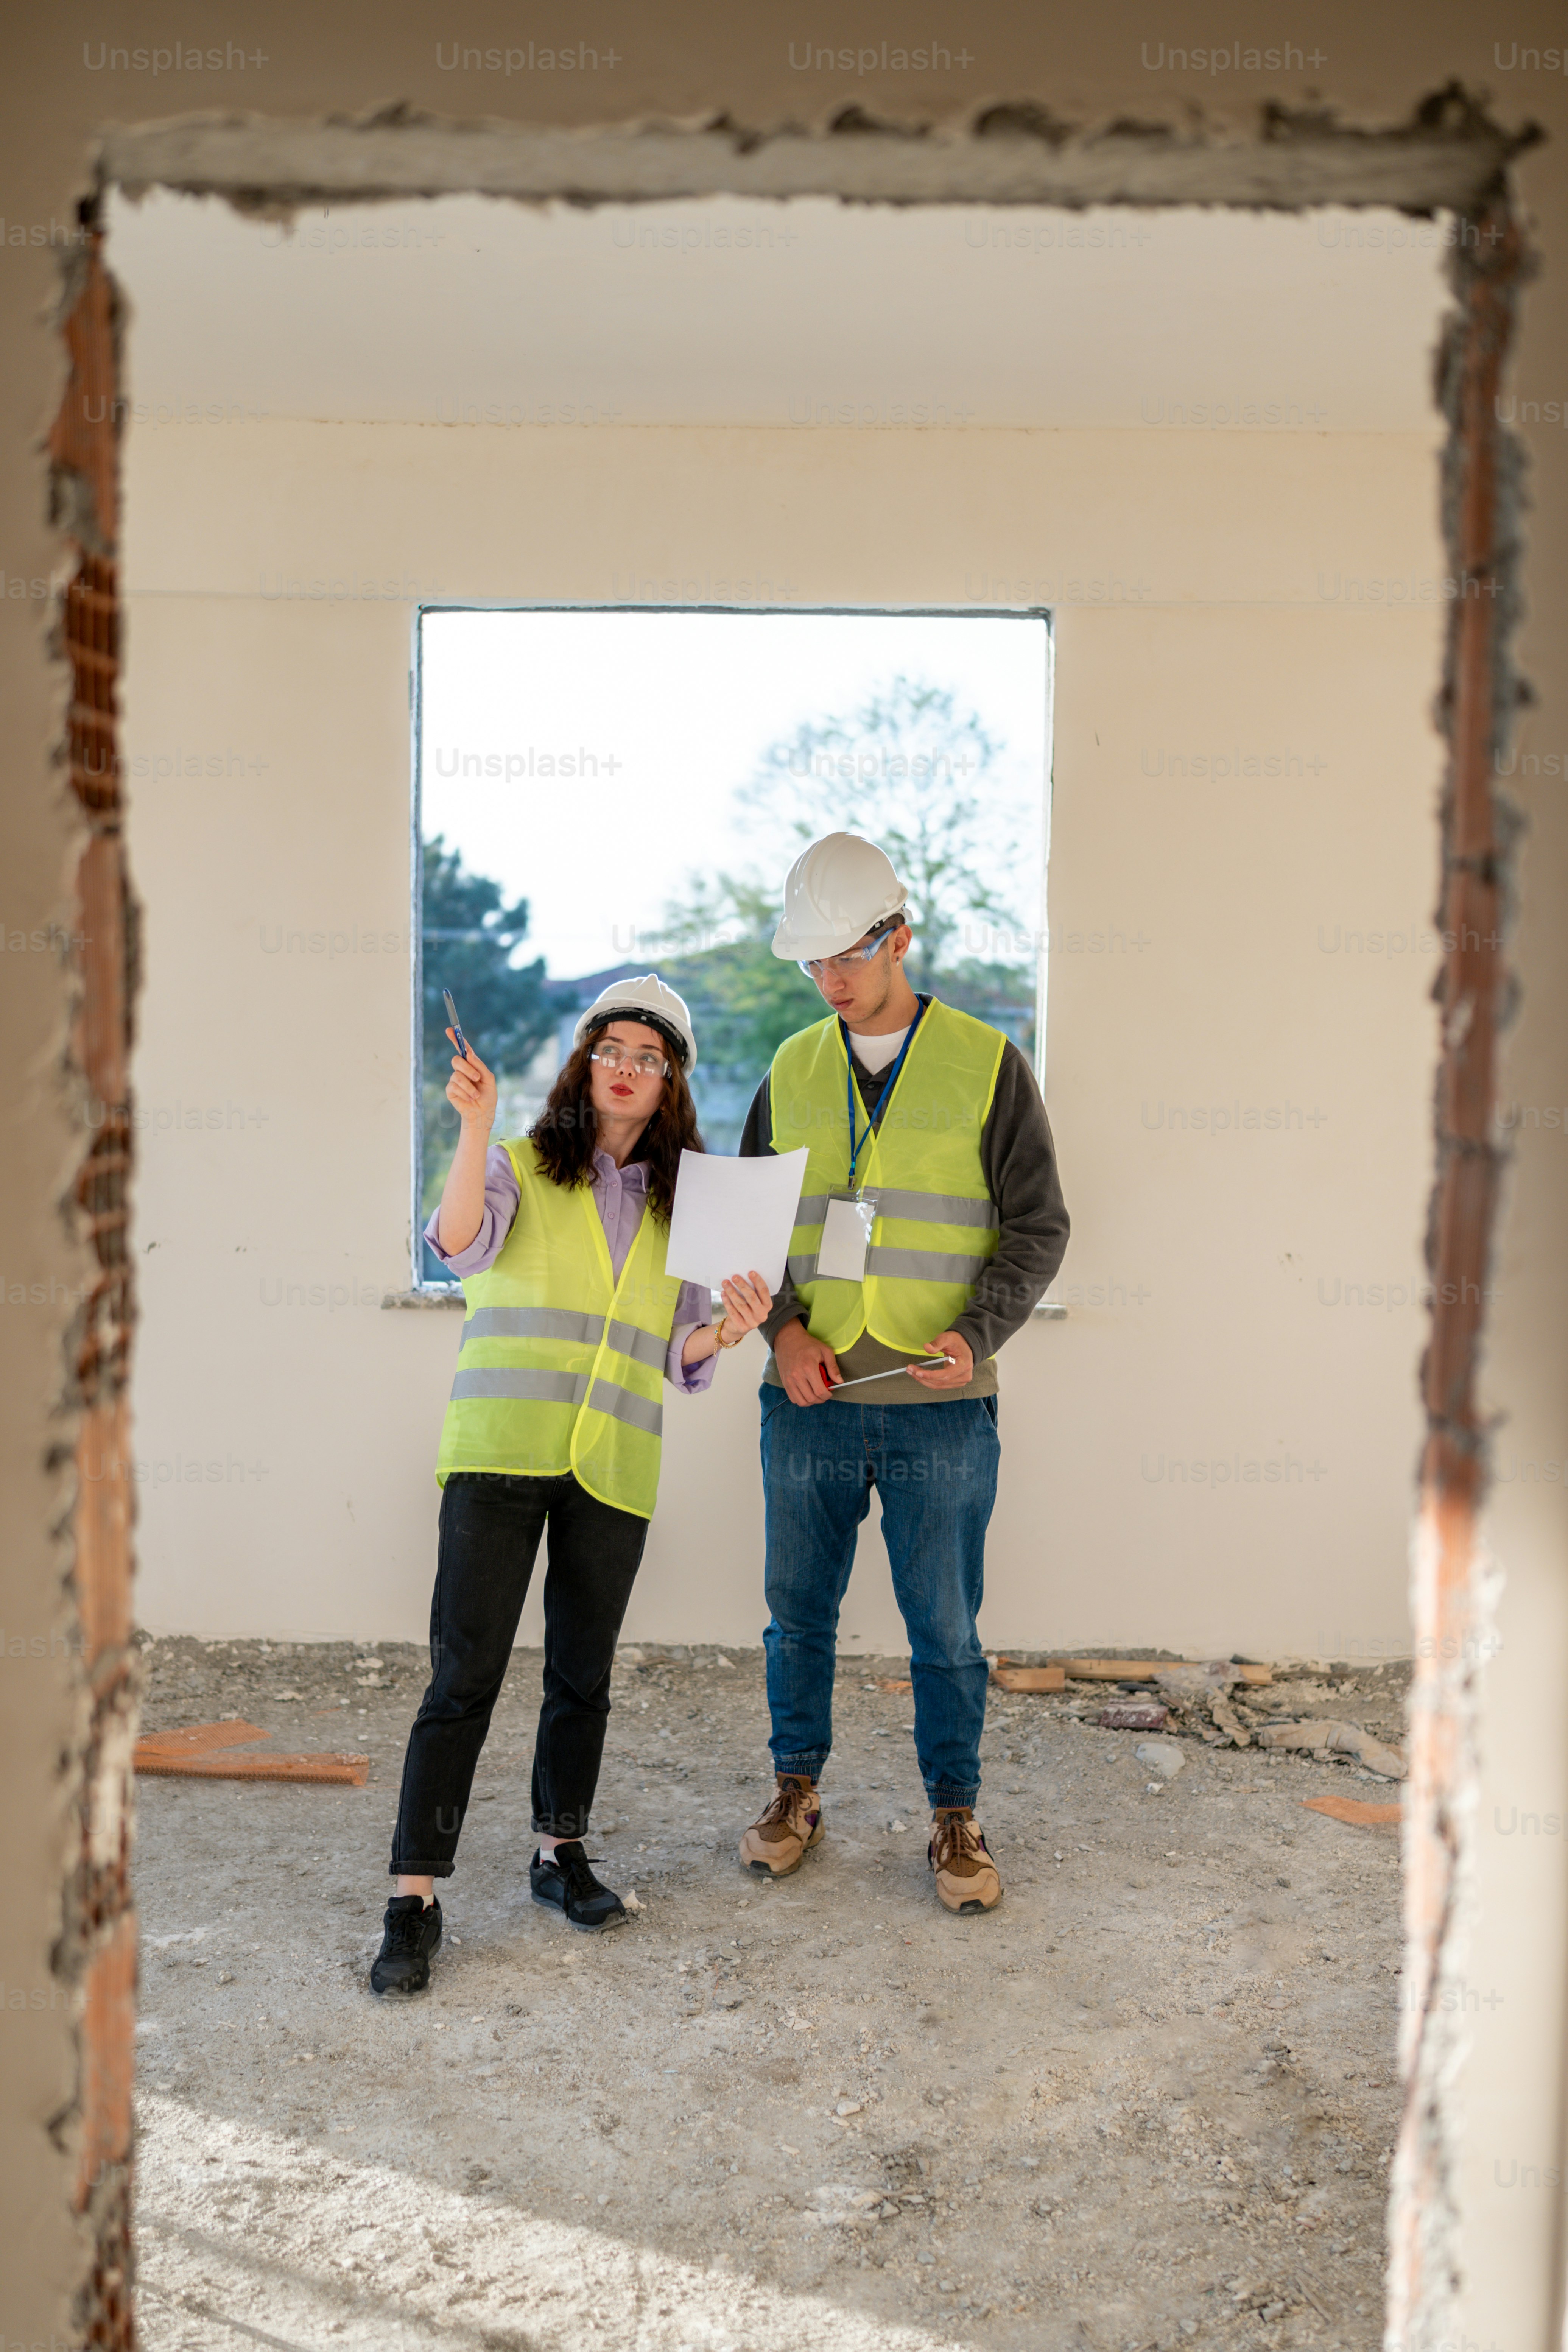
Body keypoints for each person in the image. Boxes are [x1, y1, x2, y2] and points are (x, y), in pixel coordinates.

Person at [371, 975, 771, 1994]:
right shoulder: (515, 1164)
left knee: (581, 1676)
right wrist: (473, 1127)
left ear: (671, 1079)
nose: (628, 1067)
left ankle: (560, 1853)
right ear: (587, 1065)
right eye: (612, 1050)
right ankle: (413, 1898)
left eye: (650, 1055)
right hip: (501, 1450)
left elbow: (684, 1345)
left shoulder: (688, 1204)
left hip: (616, 1464)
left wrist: (733, 1324)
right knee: (463, 1678)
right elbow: (459, 1244)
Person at [737, 833, 1069, 1915]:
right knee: (798, 1614)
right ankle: (796, 1794)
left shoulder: (987, 1063)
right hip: (812, 1404)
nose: (830, 980)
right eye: (813, 963)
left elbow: (1038, 1225)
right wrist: (783, 1335)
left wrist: (979, 1334)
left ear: (900, 936)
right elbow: (739, 1234)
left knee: (945, 1625)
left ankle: (955, 1814)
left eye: (848, 956)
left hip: (942, 1405)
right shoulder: (790, 1070)